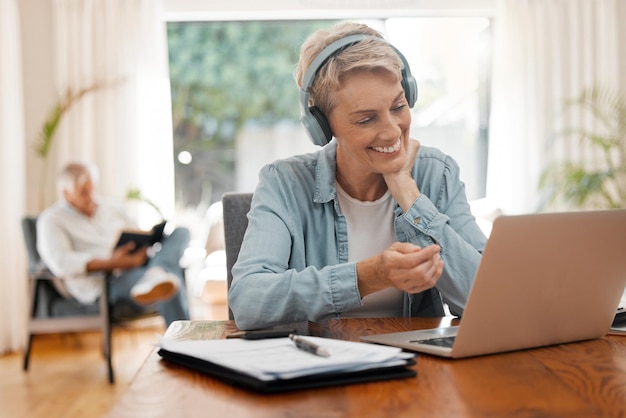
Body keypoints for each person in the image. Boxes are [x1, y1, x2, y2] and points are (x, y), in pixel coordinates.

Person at [228, 22, 487, 330]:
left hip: (418, 368)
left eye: (398, 106)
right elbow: (249, 301)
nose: (392, 130)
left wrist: (408, 193)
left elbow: (488, 299)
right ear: (323, 127)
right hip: (321, 365)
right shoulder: (284, 183)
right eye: (366, 119)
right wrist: (366, 277)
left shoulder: (436, 172)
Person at [37, 161, 189, 326]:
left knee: (181, 232)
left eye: (92, 189)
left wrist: (144, 247)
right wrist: (113, 262)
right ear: (66, 193)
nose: (91, 198)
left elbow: (137, 233)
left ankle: (157, 271)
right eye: (83, 193)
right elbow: (61, 263)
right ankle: (184, 345)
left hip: (138, 266)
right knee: (169, 280)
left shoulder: (112, 207)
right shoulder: (51, 220)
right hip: (106, 281)